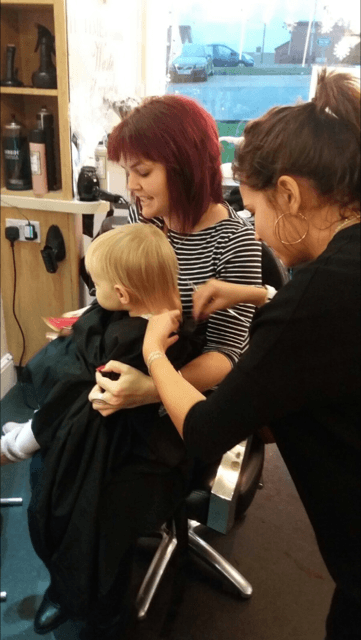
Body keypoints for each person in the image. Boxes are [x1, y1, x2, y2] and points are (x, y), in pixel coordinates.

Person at [24, 94, 263, 639]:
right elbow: (120, 293)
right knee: (53, 467)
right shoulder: (141, 215)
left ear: (186, 165)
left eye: (144, 171)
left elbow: (226, 358)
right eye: (128, 172)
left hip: (176, 409)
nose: (132, 186)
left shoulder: (235, 243)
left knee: (98, 500)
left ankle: (97, 609)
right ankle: (69, 584)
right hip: (126, 379)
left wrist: (149, 388)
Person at [141, 69, 360, 640]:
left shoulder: (313, 296)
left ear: (289, 194)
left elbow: (209, 429)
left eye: (257, 209)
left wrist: (154, 360)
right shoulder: (339, 272)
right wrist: (255, 292)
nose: (256, 229)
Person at [0, 224, 204, 638]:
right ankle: (67, 586)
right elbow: (100, 314)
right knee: (58, 447)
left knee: (73, 505)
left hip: (136, 439)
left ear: (124, 295)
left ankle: (97, 609)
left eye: (97, 285)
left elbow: (87, 401)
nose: (94, 293)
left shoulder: (134, 343)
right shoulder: (156, 306)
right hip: (110, 423)